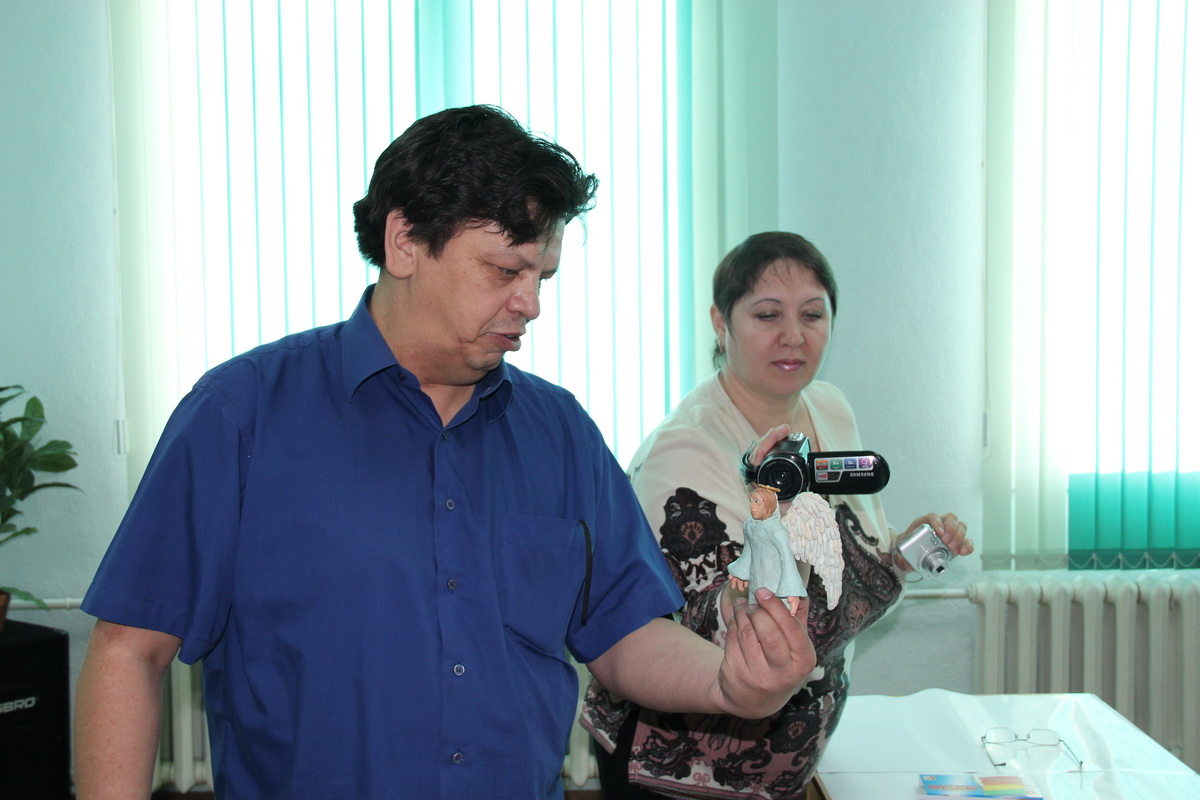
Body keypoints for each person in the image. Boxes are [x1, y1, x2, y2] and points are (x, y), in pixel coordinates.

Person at [73, 107, 816, 800]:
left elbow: (625, 634)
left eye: (542, 277)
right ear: (404, 242)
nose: (531, 303)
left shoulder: (559, 432)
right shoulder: (243, 415)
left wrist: (728, 683)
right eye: (504, 271)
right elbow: (129, 652)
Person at [581, 231, 972, 799]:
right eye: (767, 315)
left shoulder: (828, 406)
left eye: (813, 314)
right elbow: (737, 629)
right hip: (680, 764)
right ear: (721, 323)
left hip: (786, 758)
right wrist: (792, 529)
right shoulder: (686, 452)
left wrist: (899, 547)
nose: (794, 336)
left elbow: (844, 552)